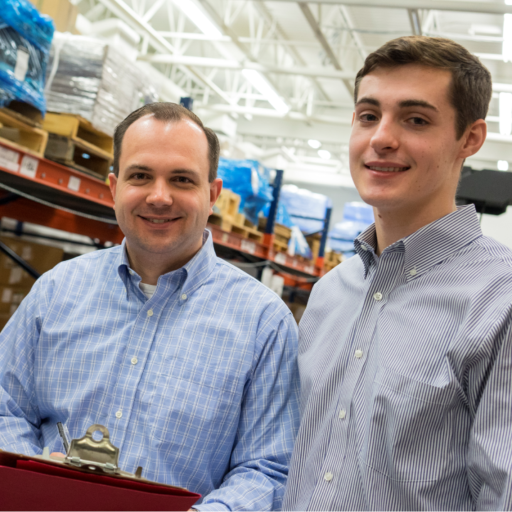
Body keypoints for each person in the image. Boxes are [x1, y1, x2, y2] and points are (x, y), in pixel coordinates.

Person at [0, 102, 300, 512]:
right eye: (141, 176)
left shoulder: (264, 324)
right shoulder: (56, 291)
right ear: (113, 188)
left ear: (211, 195)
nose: (159, 197)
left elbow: (269, 469)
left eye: (181, 179)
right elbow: (5, 407)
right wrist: (34, 473)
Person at [282, 36, 512, 512]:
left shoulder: (499, 301)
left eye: (416, 120)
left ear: (470, 138)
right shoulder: (329, 295)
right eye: (368, 116)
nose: (381, 138)